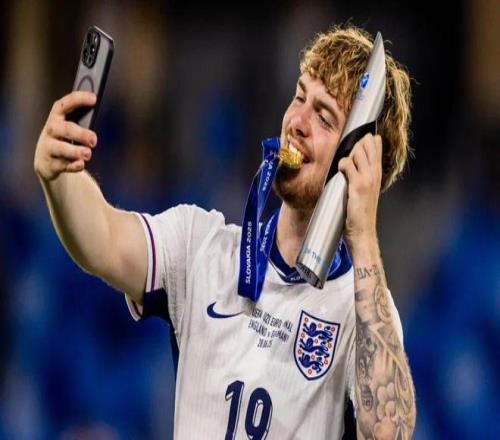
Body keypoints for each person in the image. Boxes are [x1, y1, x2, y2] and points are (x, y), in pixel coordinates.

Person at [34, 24, 416, 439]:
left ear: (360, 164)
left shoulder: (362, 313)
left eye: (324, 117)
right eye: (299, 97)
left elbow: (389, 432)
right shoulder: (201, 245)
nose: (297, 122)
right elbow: (102, 241)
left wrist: (363, 237)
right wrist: (60, 177)